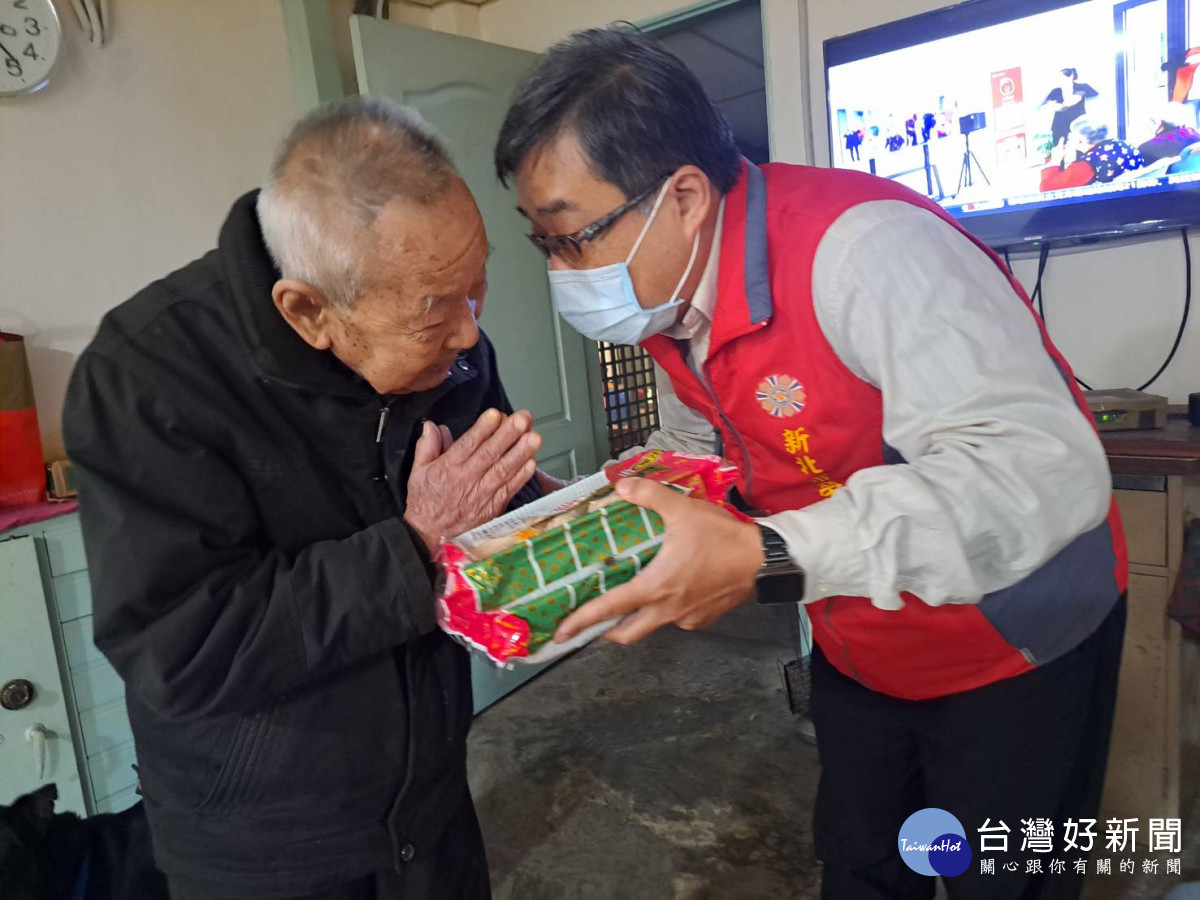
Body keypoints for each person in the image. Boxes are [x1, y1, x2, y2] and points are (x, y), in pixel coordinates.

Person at [495, 27, 1127, 900]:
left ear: (684, 197)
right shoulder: (671, 303)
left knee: (1003, 878)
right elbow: (697, 451)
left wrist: (766, 554)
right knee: (863, 861)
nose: (563, 271)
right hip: (858, 632)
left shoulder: (868, 252)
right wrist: (583, 514)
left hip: (1010, 637)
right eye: (543, 245)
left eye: (573, 237)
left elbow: (1037, 474)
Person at [64, 97, 553, 900]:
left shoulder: (449, 343)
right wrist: (415, 545)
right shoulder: (147, 377)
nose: (470, 333)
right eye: (435, 310)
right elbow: (181, 647)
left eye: (477, 285)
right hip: (272, 846)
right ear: (309, 310)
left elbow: (480, 512)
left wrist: (549, 511)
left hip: (431, 804)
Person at [1042, 68, 1099, 160]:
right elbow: (1045, 104)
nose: (1060, 80)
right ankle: (1056, 164)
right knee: (1057, 145)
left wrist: (1080, 96)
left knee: (1082, 145)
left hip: (1078, 121)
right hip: (1060, 122)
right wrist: (1054, 106)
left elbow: (1095, 95)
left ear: (1071, 77)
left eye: (1062, 78)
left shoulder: (1082, 87)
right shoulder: (1056, 91)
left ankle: (1081, 163)